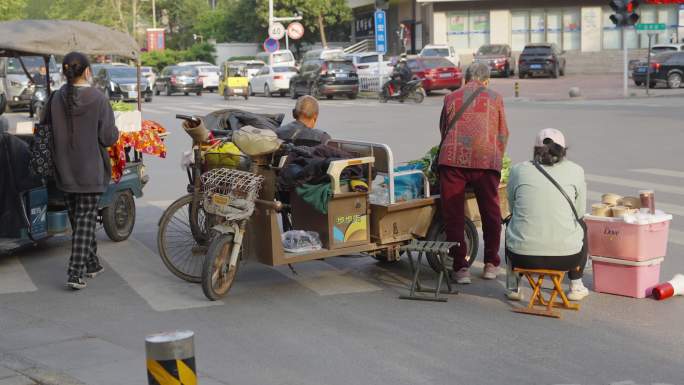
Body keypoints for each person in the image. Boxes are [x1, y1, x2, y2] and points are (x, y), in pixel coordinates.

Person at [47, 52, 119, 290]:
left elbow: (45, 130)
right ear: (87, 71)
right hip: (89, 170)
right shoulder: (98, 98)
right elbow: (108, 137)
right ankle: (75, 272)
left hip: (64, 169)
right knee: (85, 219)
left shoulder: (55, 98)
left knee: (79, 220)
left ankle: (92, 264)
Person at [438, 62, 509, 284]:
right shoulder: (495, 98)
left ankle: (460, 268)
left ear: (465, 79)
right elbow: (503, 133)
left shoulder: (450, 98)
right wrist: (495, 156)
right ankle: (490, 264)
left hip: (452, 162)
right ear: (486, 81)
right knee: (491, 213)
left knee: (454, 215)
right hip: (485, 161)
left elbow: (443, 128)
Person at [505, 129, 588, 301]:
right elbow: (579, 212)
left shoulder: (518, 170)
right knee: (582, 225)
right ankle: (576, 284)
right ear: (563, 150)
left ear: (535, 150)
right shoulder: (576, 170)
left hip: (522, 257)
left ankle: (513, 285)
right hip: (567, 258)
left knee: (512, 222)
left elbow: (513, 208)